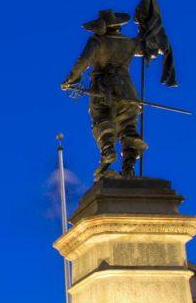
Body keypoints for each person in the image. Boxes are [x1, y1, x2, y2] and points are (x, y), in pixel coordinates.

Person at [62, 10, 148, 179]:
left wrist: (70, 80)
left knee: (102, 119)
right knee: (128, 126)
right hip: (127, 90)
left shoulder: (98, 42)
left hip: (103, 88)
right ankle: (129, 166)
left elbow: (83, 61)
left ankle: (108, 150)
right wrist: (146, 28)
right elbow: (149, 49)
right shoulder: (130, 43)